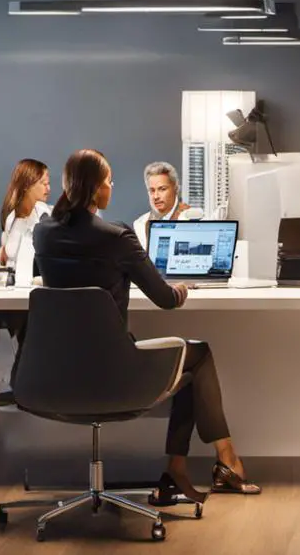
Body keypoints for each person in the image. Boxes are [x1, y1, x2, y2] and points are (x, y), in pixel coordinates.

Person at [34, 149, 260, 505]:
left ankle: (182, 472)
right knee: (195, 356)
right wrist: (182, 288)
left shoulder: (43, 233)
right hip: (113, 374)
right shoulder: (116, 235)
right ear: (96, 189)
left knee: (183, 362)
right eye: (108, 181)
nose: (112, 187)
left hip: (55, 374)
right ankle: (215, 462)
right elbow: (167, 300)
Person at [0, 158, 51, 407]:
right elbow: (7, 255)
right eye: (44, 183)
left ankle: (20, 386)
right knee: (18, 324)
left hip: (38, 289)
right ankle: (20, 385)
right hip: (15, 289)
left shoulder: (46, 216)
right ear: (28, 185)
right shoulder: (12, 218)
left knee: (26, 326)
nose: (48, 188)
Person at [132, 161, 203, 247]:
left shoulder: (195, 219)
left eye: (162, 189)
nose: (156, 196)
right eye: (152, 190)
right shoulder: (140, 224)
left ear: (176, 188)